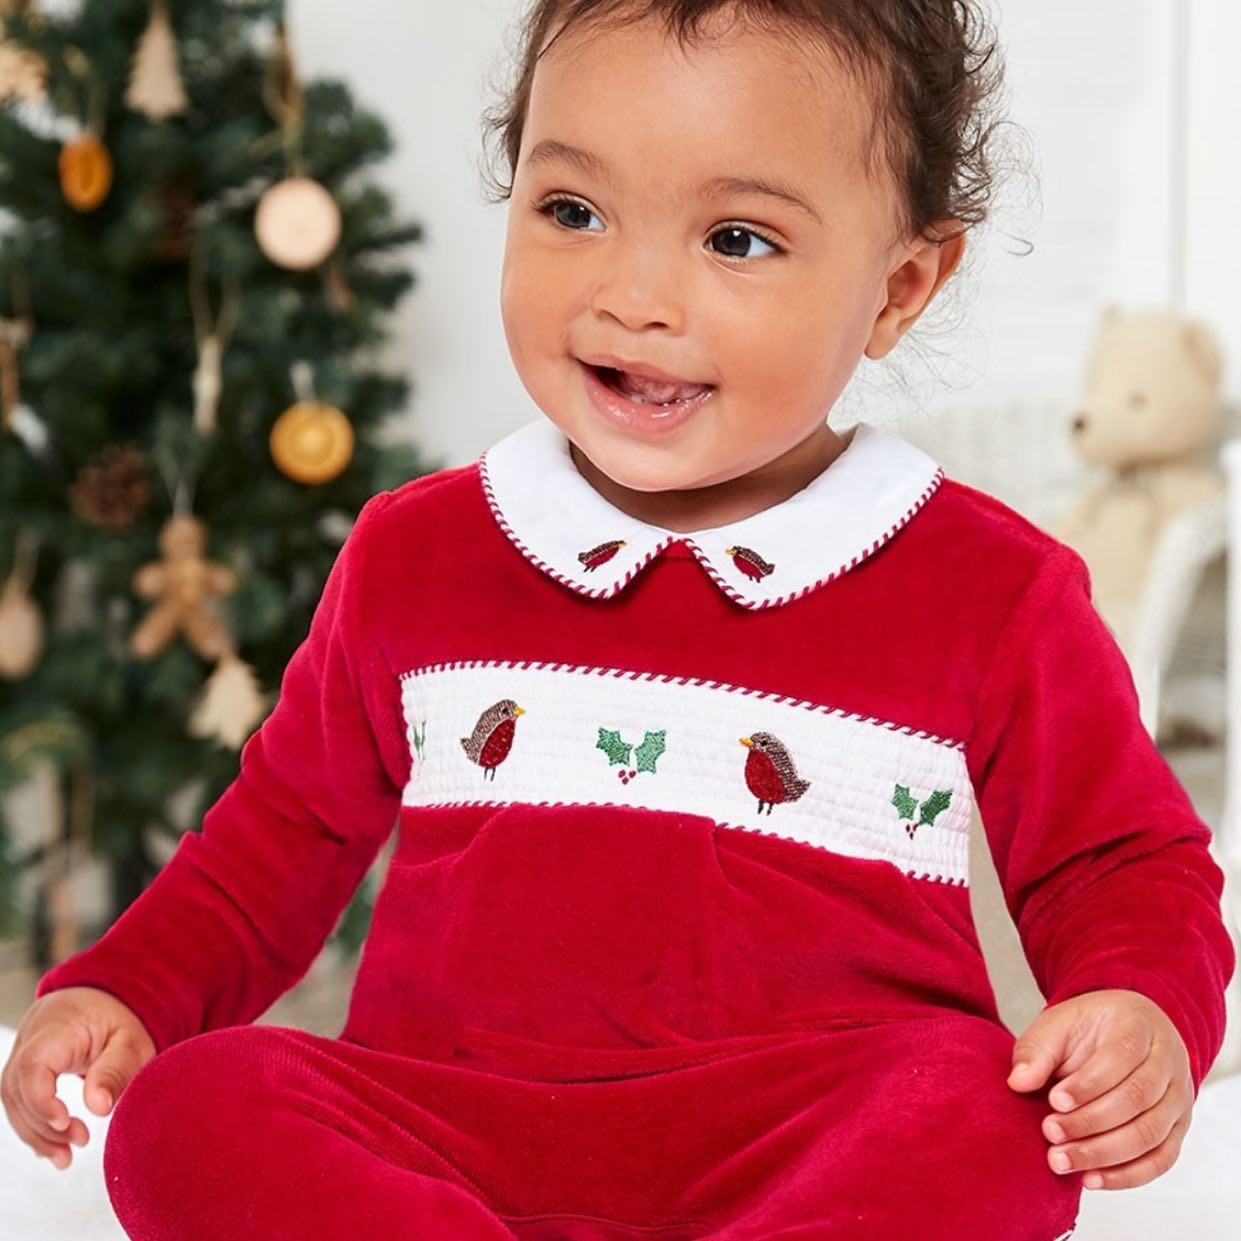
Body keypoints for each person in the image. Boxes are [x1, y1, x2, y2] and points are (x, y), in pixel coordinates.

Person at [2, 1, 1235, 1237]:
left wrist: (1138, 1005)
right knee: (193, 1106)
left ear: (896, 289)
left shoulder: (985, 587)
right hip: (451, 1122)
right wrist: (130, 989)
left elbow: (1118, 861)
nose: (633, 296)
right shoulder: (415, 555)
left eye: (736, 239)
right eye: (572, 211)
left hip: (799, 1139)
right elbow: (276, 840)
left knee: (986, 1109)